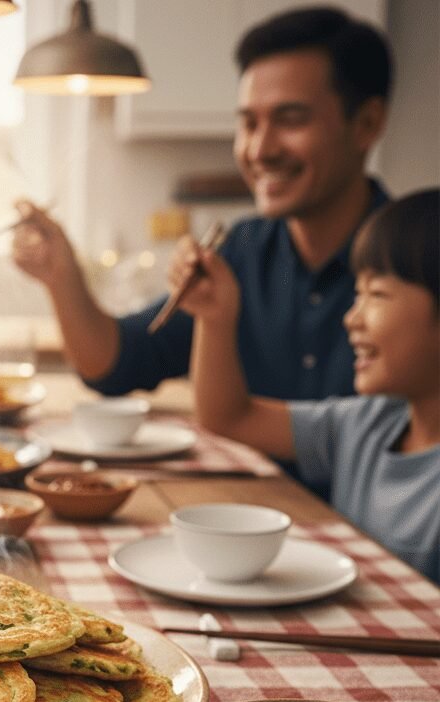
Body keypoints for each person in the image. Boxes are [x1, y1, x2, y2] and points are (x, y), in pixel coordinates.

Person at [12, 6, 391, 404]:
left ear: (366, 124)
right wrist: (62, 275)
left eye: (290, 120)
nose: (260, 150)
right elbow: (118, 363)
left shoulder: (416, 263)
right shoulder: (241, 252)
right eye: (249, 123)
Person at [175, 187, 439, 583]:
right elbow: (229, 415)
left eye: (377, 294)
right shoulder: (364, 424)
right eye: (357, 293)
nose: (352, 318)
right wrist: (215, 316)